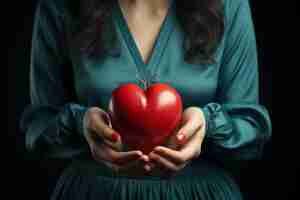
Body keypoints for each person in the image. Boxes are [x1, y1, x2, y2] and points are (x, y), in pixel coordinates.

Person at [20, 0, 272, 199]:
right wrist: (80, 123)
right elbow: (38, 126)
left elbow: (251, 125)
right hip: (91, 192)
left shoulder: (228, 4)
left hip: (202, 193)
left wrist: (207, 124)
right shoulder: (60, 5)